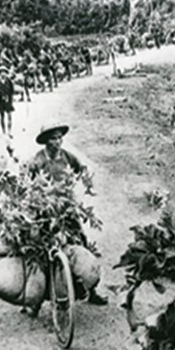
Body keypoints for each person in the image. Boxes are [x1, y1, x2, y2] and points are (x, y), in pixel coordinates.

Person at [28, 123, 107, 306]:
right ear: (46, 142)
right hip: (45, 212)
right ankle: (35, 302)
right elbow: (27, 186)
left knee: (81, 242)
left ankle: (92, 290)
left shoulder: (67, 157)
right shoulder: (37, 161)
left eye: (59, 137)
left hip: (66, 210)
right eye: (53, 138)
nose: (58, 141)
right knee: (40, 252)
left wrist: (88, 184)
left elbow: (82, 169)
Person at [0, 66, 15, 136]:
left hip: (8, 100)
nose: (3, 74)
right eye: (1, 72)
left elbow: (12, 92)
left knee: (9, 116)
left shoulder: (9, 81)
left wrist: (11, 101)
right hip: (0, 100)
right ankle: (4, 131)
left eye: (4, 72)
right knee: (2, 117)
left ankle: (9, 131)